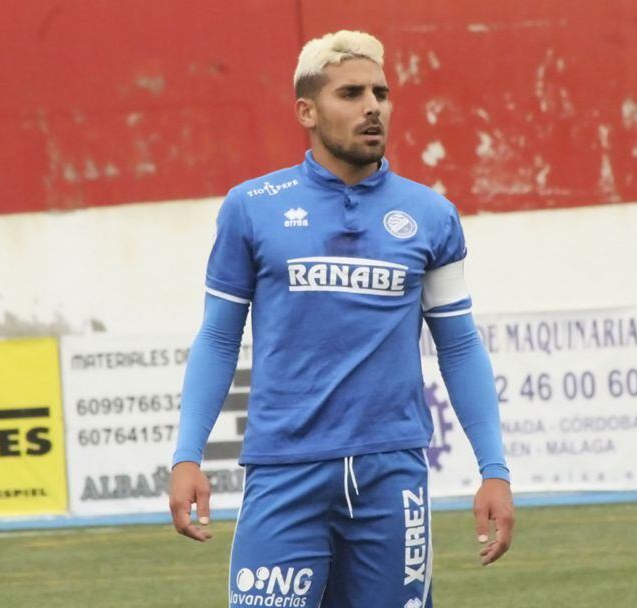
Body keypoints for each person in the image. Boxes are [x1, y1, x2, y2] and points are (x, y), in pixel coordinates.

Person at [169, 30, 514, 607]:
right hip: (284, 473)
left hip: (391, 474)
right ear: (306, 110)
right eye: (350, 93)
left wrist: (494, 469)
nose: (372, 106)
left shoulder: (431, 215)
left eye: (380, 92)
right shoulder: (251, 208)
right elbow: (218, 335)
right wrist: (187, 456)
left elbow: (457, 345)